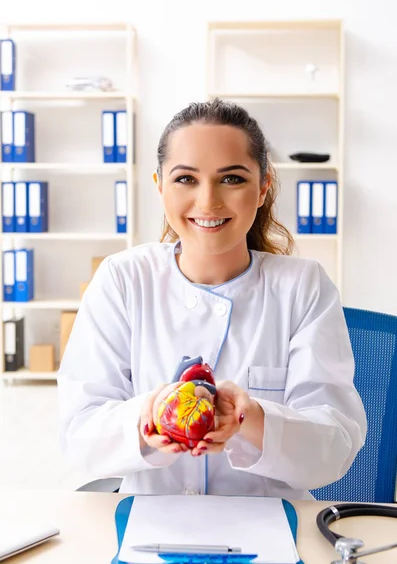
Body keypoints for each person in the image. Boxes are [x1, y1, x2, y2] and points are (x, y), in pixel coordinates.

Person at [57, 98, 367, 499]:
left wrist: (250, 418)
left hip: (270, 526)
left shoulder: (303, 286)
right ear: (159, 186)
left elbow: (334, 445)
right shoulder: (122, 279)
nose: (207, 201)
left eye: (232, 179)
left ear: (263, 189)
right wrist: (151, 416)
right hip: (151, 523)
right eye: (186, 179)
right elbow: (79, 437)